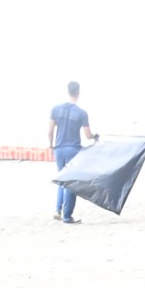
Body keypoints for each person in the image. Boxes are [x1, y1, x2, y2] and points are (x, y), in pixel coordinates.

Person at [49, 82, 93, 224]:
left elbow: (50, 131)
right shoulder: (81, 113)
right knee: (71, 182)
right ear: (78, 93)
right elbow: (88, 135)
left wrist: (51, 146)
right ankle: (67, 216)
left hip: (59, 149)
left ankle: (57, 209)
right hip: (73, 150)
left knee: (61, 179)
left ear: (67, 91)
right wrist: (95, 136)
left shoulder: (55, 109)